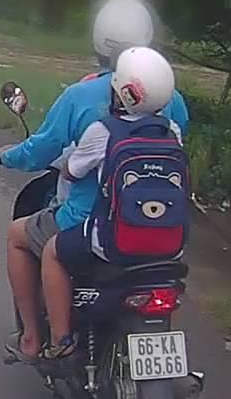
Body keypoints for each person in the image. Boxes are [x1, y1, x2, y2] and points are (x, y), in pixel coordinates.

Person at [0, 0, 188, 362]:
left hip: (91, 223)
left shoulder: (84, 101)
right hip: (162, 228)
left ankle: (36, 338)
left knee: (20, 237)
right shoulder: (171, 102)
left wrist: (8, 156)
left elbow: (45, 152)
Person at [37, 46, 182, 362]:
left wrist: (69, 162)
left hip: (114, 241)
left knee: (51, 252)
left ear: (121, 92)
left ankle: (60, 341)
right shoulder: (173, 132)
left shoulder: (103, 131)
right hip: (168, 247)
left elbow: (72, 172)